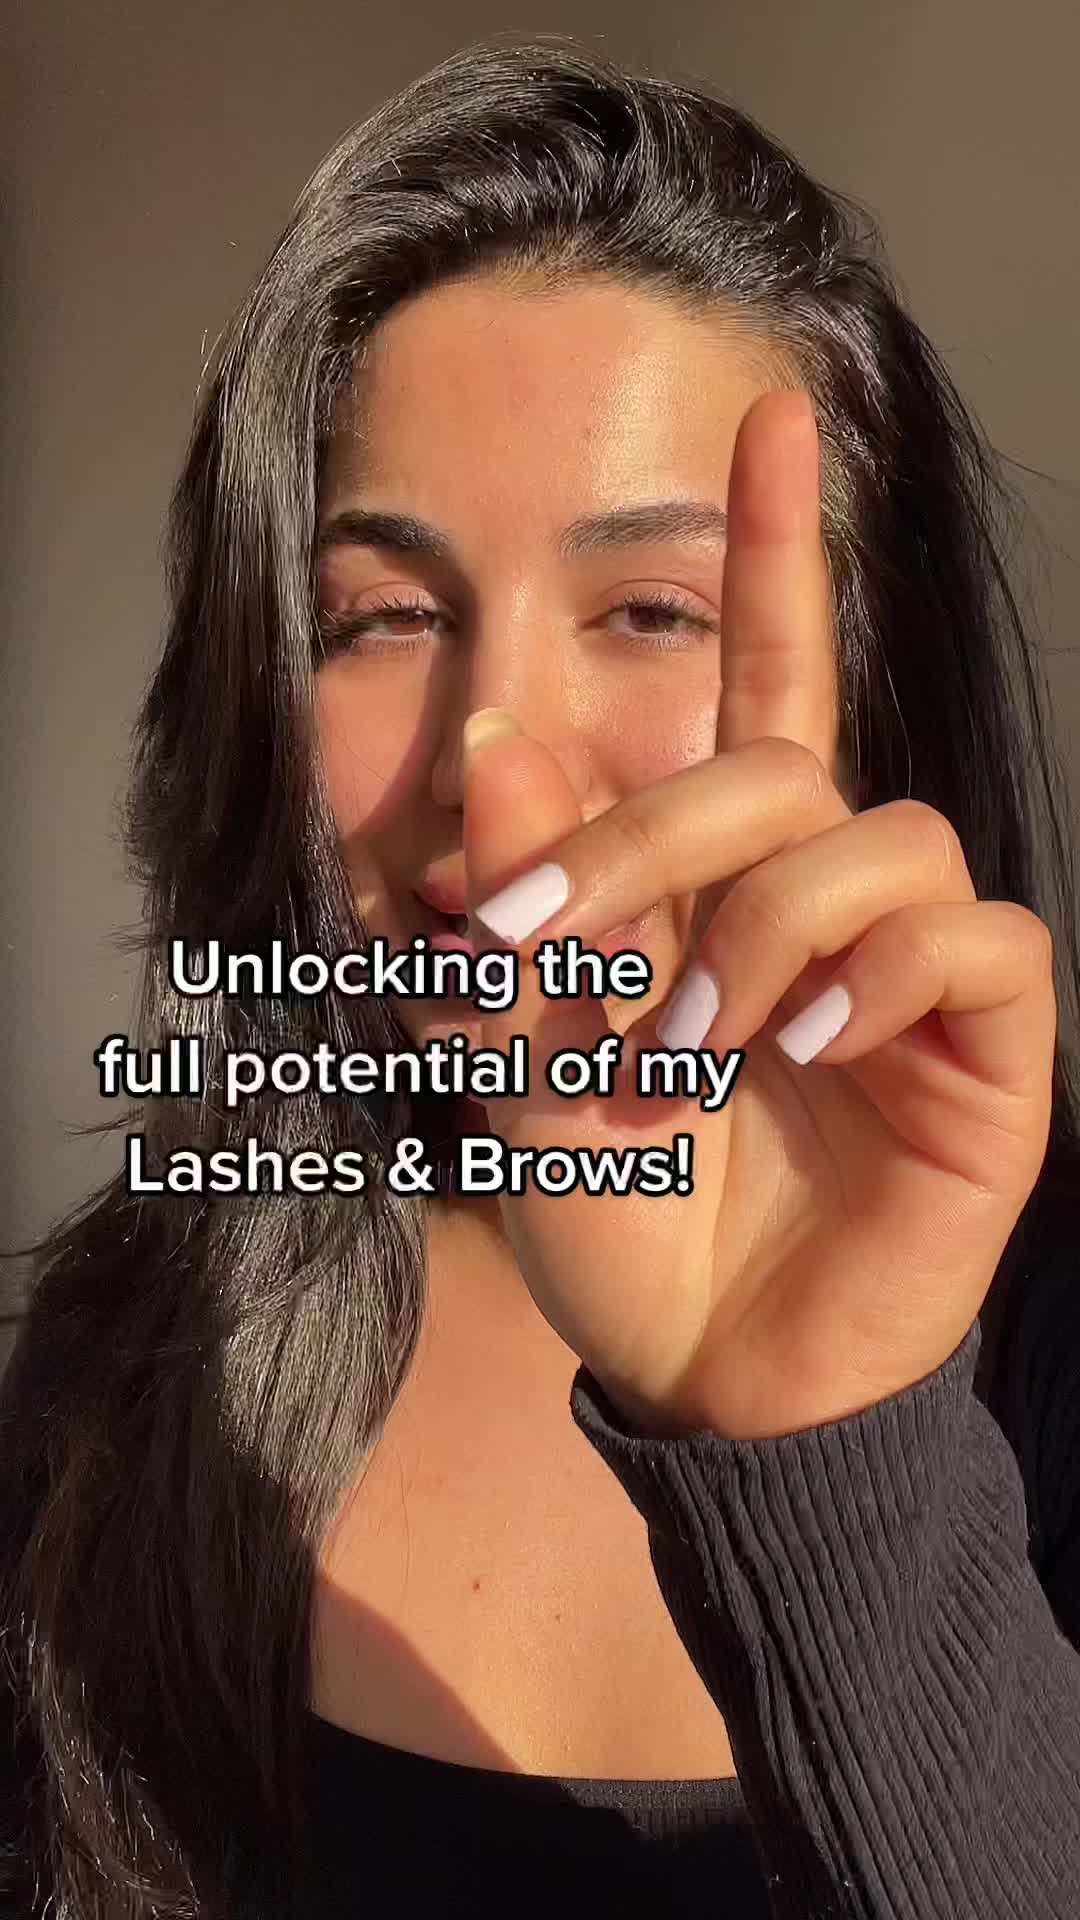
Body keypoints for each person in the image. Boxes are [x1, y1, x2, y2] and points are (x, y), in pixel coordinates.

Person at [3, 32, 1080, 1919]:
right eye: (384, 619)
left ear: (877, 685)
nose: (497, 768)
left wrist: (835, 1454)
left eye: (652, 610)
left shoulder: (1052, 1347)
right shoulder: (126, 1360)